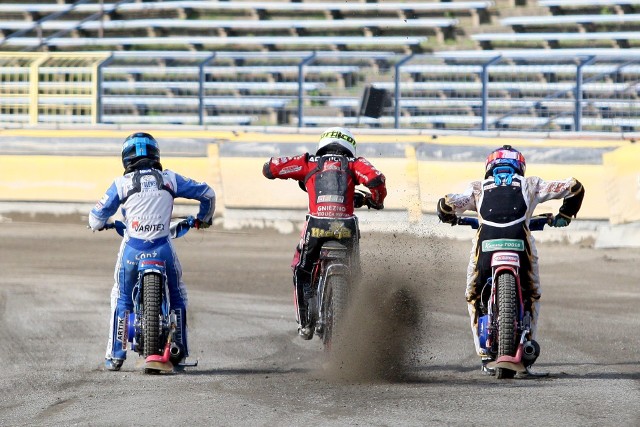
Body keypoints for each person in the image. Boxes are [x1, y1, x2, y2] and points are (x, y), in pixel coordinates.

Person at [436, 144, 585, 373]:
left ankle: (485, 356)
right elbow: (574, 186)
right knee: (533, 295)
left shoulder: (477, 187)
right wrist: (564, 215)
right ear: (520, 166)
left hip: (485, 248)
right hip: (521, 246)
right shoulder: (531, 184)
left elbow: (448, 203)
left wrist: (448, 215)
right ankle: (527, 352)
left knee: (473, 295)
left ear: (489, 166)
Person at [89, 132, 216, 371]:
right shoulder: (170, 179)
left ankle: (115, 355)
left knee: (121, 296)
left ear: (126, 158)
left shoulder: (121, 184)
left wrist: (101, 224)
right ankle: (179, 348)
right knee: (178, 294)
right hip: (163, 248)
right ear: (156, 154)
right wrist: (203, 219)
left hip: (132, 251)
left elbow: (95, 218)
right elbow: (207, 193)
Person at [262, 127, 387, 339]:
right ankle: (355, 321)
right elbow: (376, 180)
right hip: (347, 228)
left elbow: (269, 168)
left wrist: (294, 175)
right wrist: (375, 200)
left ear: (322, 144)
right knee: (356, 274)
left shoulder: (309, 162)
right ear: (349, 146)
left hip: (316, 227)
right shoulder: (355, 164)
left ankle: (304, 324)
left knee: (301, 270)